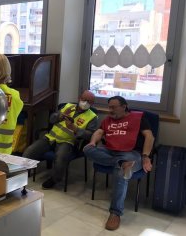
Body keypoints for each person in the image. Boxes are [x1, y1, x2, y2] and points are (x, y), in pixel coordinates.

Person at [83, 96, 154, 231]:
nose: (110, 110)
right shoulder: (108, 120)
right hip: (109, 152)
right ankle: (121, 163)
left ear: (124, 106)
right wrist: (93, 142)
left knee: (121, 171)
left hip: (131, 154)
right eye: (109, 107)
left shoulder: (139, 119)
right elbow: (99, 132)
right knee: (87, 149)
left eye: (113, 107)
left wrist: (145, 156)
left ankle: (115, 213)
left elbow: (149, 137)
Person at [22, 90, 98, 189]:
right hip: (50, 138)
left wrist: (75, 129)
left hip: (67, 142)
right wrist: (60, 116)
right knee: (29, 151)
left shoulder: (92, 116)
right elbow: (51, 119)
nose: (85, 102)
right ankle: (22, 173)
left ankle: (54, 179)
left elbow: (90, 135)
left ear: (92, 103)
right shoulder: (67, 106)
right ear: (79, 98)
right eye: (84, 99)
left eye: (89, 101)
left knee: (60, 158)